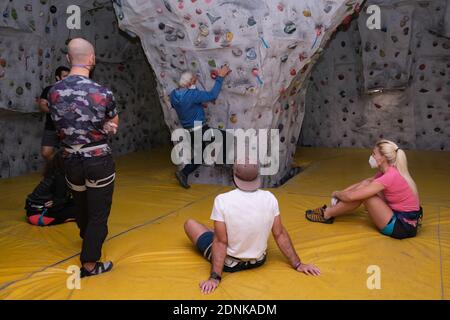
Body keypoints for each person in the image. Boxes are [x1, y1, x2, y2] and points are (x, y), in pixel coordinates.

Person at [184, 160, 320, 294]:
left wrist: (215, 278)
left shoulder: (222, 200)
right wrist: (298, 264)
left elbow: (221, 242)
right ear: (257, 176)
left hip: (230, 263)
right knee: (216, 231)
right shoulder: (270, 198)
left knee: (190, 224)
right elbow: (280, 234)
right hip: (258, 260)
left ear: (233, 175)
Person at [48, 38, 119, 278]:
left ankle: (87, 239)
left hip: (70, 159)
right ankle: (90, 264)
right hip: (97, 158)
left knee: (81, 206)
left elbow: (61, 123)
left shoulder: (54, 92)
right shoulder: (103, 92)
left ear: (68, 59)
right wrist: (108, 127)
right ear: (92, 60)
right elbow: (112, 123)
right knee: (99, 212)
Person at [305, 139, 423, 239]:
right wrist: (343, 193)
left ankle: (327, 214)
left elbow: (351, 197)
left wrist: (336, 193)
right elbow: (364, 183)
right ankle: (332, 210)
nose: (371, 156)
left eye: (373, 154)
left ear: (382, 158)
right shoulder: (387, 171)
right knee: (366, 184)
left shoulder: (390, 176)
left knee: (366, 195)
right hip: (403, 219)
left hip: (403, 227)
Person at [170, 66, 232, 189]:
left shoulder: (174, 94)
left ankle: (183, 173)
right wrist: (220, 77)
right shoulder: (193, 95)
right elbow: (212, 95)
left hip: (189, 131)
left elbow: (183, 105)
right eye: (193, 81)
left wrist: (196, 105)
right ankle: (221, 161)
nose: (195, 83)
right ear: (188, 83)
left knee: (200, 156)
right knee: (226, 136)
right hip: (200, 129)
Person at [25, 150, 76, 226]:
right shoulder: (60, 177)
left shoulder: (54, 173)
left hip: (32, 212)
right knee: (83, 209)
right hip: (40, 216)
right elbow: (57, 204)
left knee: (78, 202)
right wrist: (59, 202)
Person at [38, 66, 70, 161]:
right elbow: (42, 105)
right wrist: (55, 112)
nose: (67, 78)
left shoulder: (73, 91)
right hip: (51, 126)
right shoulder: (49, 89)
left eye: (69, 76)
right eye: (65, 76)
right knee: (46, 152)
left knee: (69, 152)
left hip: (68, 127)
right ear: (57, 77)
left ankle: (66, 172)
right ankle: (58, 168)